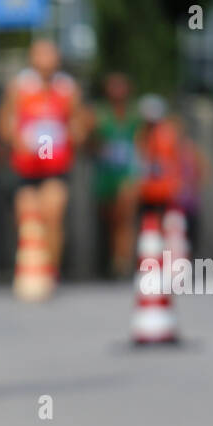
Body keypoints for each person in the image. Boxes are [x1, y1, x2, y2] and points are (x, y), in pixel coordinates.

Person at [0, 38, 85, 300]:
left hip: (55, 166)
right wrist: (17, 139)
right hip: (27, 167)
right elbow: (5, 123)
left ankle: (51, 271)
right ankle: (28, 269)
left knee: (53, 212)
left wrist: (72, 135)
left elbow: (78, 123)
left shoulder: (67, 88)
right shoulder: (20, 87)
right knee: (27, 216)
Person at [91, 72, 139, 278]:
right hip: (105, 174)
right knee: (109, 219)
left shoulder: (135, 115)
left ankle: (123, 261)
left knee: (125, 216)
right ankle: (111, 259)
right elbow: (89, 142)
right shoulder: (98, 114)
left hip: (128, 173)